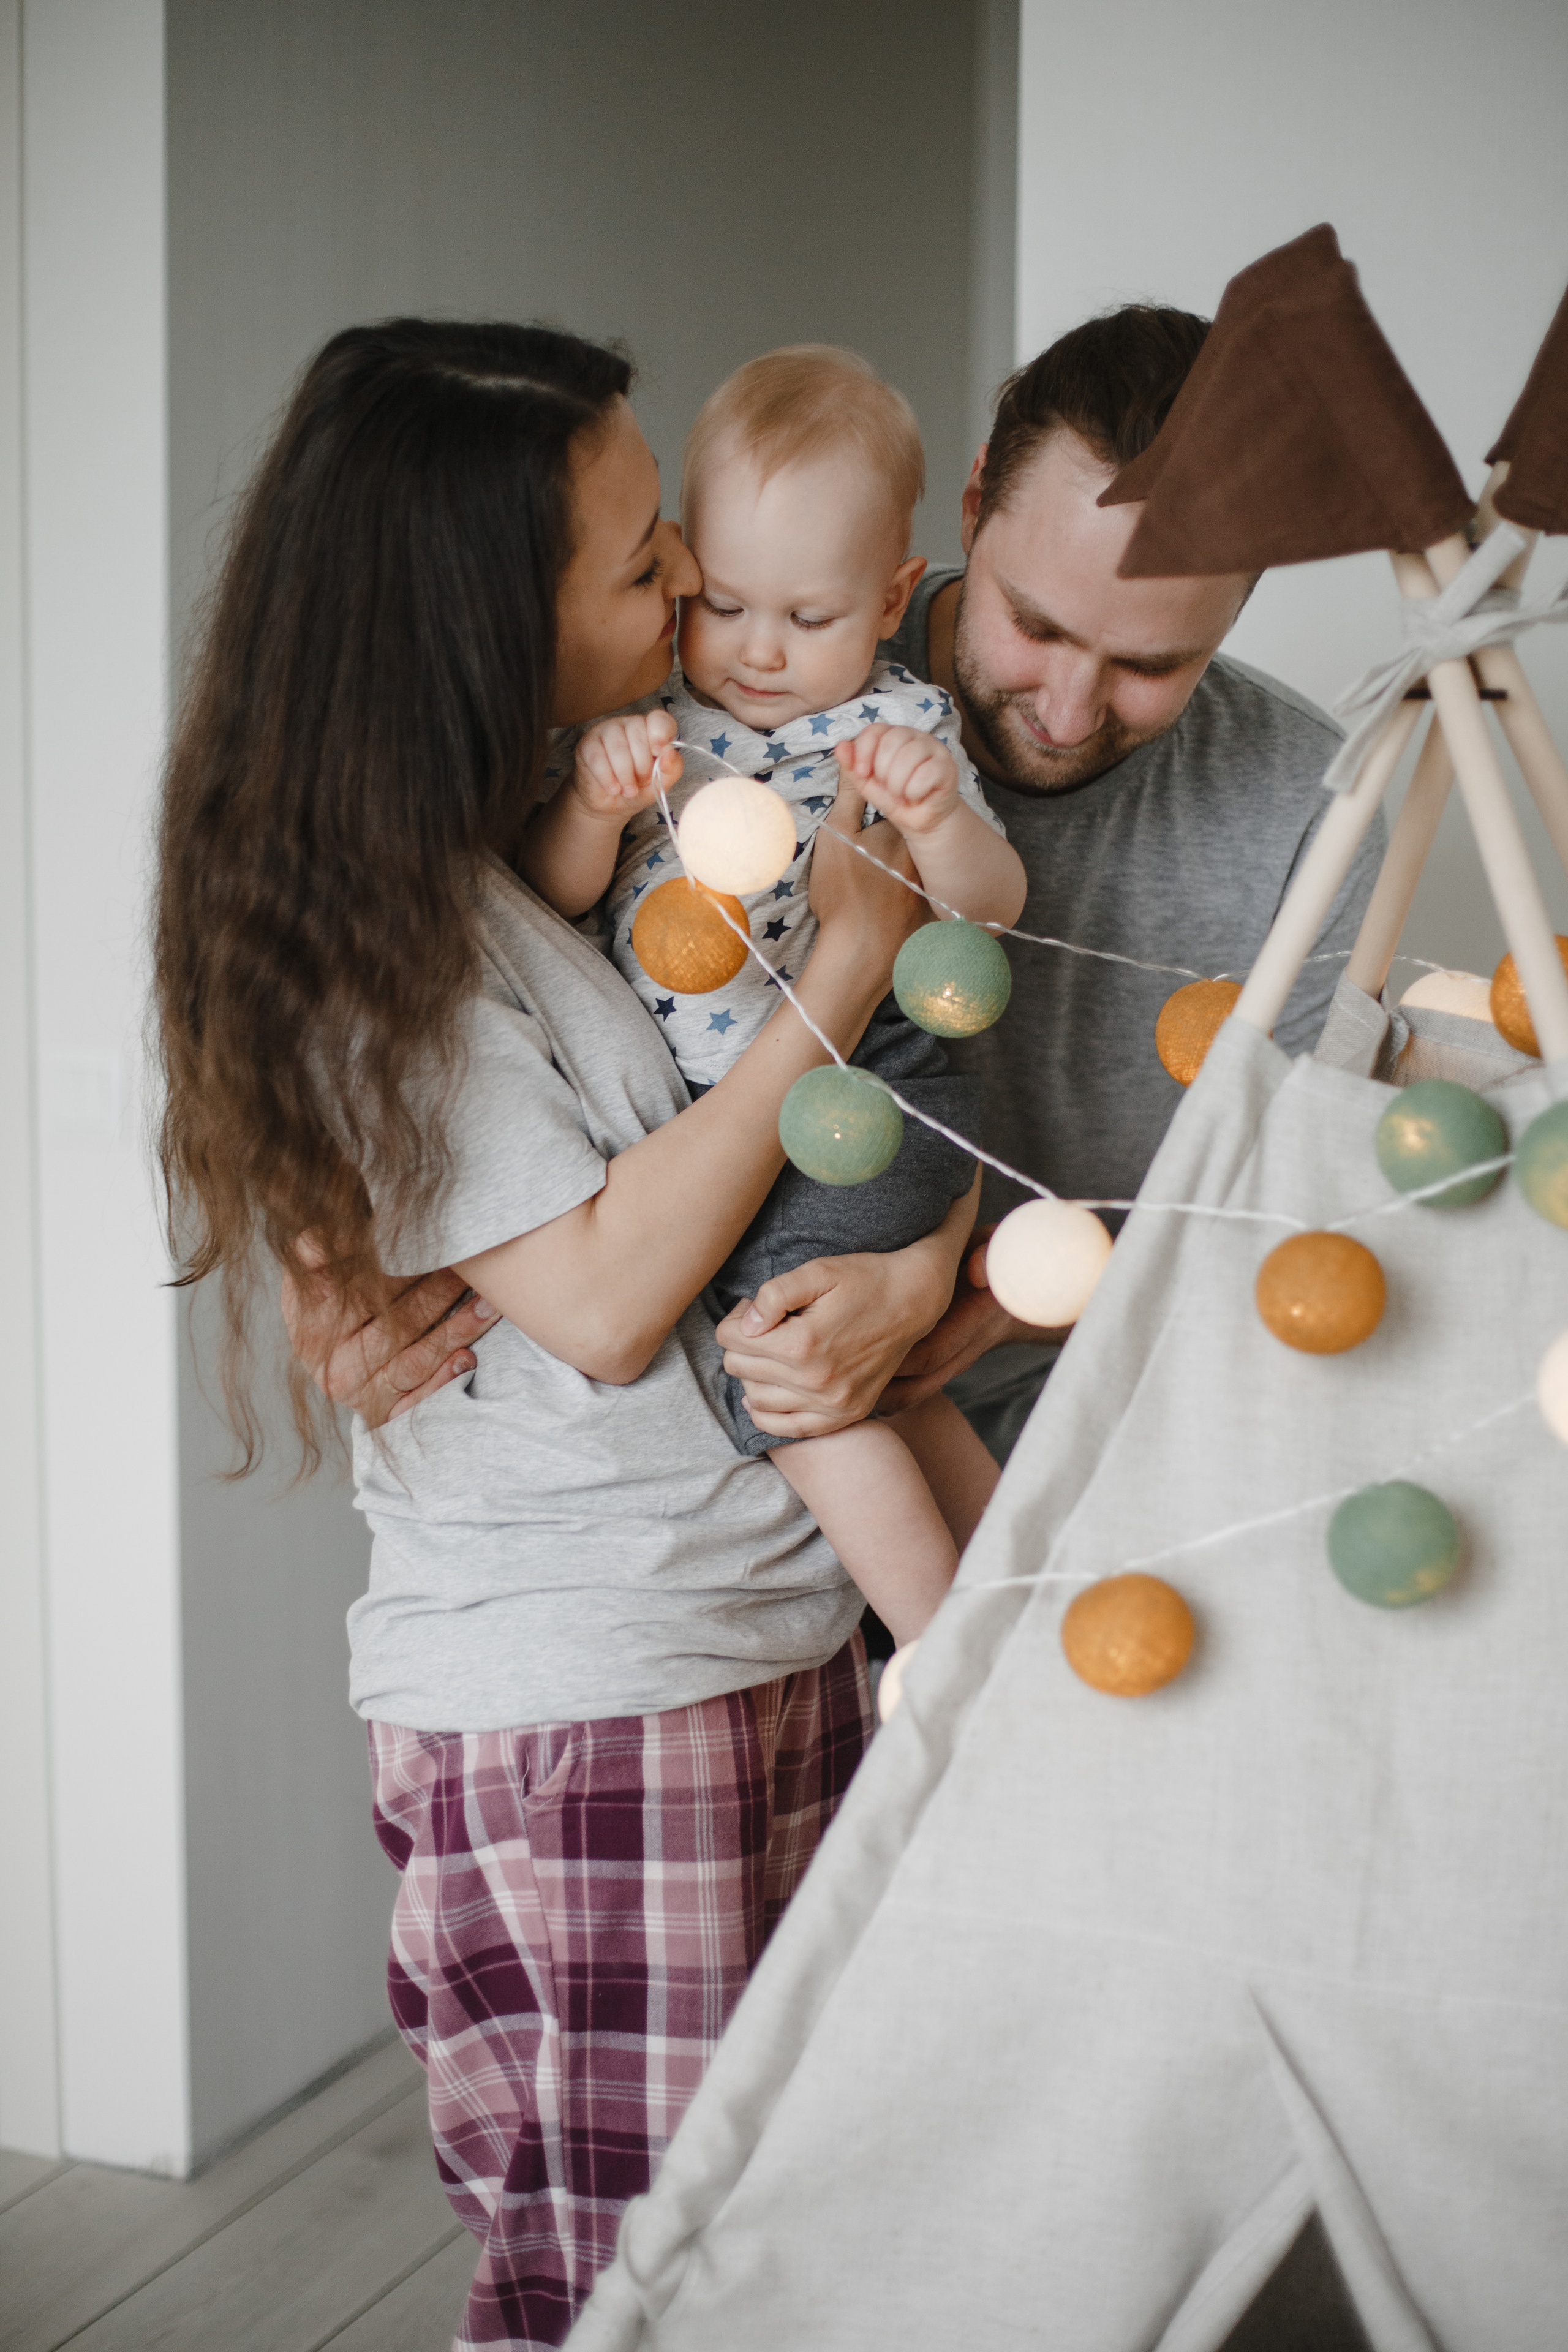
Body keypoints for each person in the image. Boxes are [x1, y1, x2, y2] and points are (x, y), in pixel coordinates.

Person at [154, 318, 965, 2351]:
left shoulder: (574, 838)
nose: (690, 584)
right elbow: (606, 1303)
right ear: (485, 621)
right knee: (625, 2288)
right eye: (637, 563)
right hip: (589, 1702)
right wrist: (850, 962)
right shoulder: (393, 930)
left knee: (786, 2256)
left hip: (753, 1635)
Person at [305, 303, 1381, 1515]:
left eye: (1150, 666)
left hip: (1096, 1487)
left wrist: (963, 1282)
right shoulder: (703, 683)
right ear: (969, 509)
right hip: (722, 1513)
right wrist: (322, 1243)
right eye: (1033, 626)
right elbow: (426, 1005)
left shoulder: (1310, 803)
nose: (1073, 709)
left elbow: (1298, 1214)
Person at [522, 346, 1025, 1646]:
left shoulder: (893, 728)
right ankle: (1013, 1605)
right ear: (683, 564)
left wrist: (935, 821)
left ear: (891, 596)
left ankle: (944, 1660)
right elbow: (555, 901)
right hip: (748, 1121)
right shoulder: (647, 725)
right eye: (726, 604)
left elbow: (992, 908)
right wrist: (592, 803)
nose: (755, 652)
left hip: (865, 1094)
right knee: (887, 1389)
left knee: (796, 1393)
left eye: (808, 620)